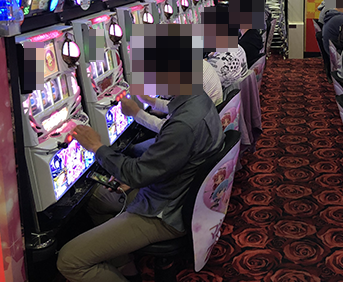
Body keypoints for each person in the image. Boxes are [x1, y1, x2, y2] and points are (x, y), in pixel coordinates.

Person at [57, 24, 224, 282]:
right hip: (175, 192)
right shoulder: (197, 98)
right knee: (95, 200)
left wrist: (97, 147)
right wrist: (149, 103)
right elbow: (171, 126)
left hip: (164, 213)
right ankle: (128, 269)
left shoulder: (184, 126)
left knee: (69, 260)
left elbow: (137, 174)